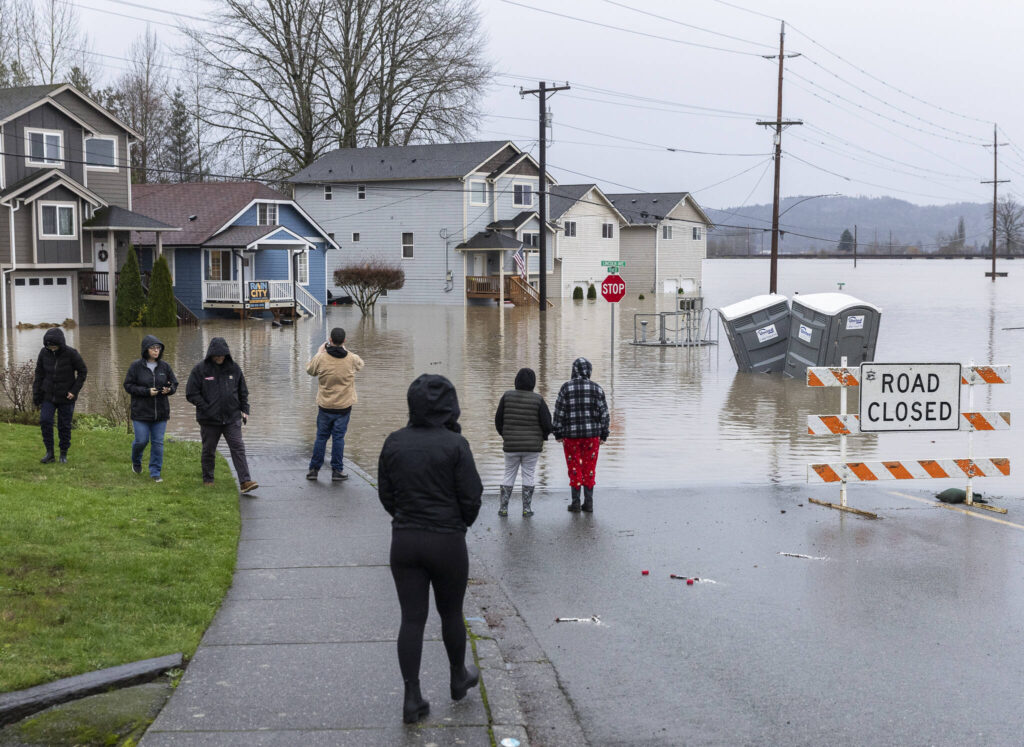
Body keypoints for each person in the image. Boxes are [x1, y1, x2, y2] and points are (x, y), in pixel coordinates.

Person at [378, 374, 483, 724]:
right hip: (447, 540)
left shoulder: (394, 442)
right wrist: (458, 524)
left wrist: (406, 518)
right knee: (451, 613)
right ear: (449, 405)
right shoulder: (456, 445)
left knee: (411, 619)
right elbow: (471, 496)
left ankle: (412, 696)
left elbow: (386, 495)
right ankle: (457, 677)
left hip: (405, 540)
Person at [185, 337, 258, 493]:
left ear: (227, 354)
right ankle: (208, 479)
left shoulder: (235, 369)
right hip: (209, 420)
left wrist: (245, 409)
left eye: (222, 355)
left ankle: (245, 481)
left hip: (232, 418)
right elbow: (191, 393)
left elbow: (243, 391)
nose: (219, 358)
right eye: (216, 355)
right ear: (211, 354)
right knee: (209, 450)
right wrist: (206, 407)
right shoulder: (200, 370)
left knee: (238, 447)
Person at [305, 327, 364, 482]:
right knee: (338, 438)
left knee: (321, 437)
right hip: (344, 407)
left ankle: (313, 470)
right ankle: (337, 470)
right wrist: (345, 349)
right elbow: (360, 364)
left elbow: (310, 371)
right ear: (344, 341)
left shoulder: (321, 358)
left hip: (325, 405)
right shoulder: (351, 358)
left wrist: (319, 352)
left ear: (330, 340)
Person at [552, 357, 610, 513]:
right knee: (589, 468)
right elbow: (604, 414)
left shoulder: (566, 388)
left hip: (571, 436)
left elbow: (559, 413)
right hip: (592, 436)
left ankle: (576, 503)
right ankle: (589, 503)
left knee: (574, 467)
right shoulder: (597, 389)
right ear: (589, 371)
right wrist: (604, 434)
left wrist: (557, 432)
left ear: (574, 370)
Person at [493, 367, 552, 517]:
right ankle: (526, 509)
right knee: (529, 475)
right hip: (532, 447)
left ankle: (503, 508)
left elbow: (498, 420)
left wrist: (505, 435)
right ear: (533, 382)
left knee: (508, 474)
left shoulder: (506, 396)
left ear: (516, 381)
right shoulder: (538, 399)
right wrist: (543, 437)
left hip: (511, 445)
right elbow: (547, 423)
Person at [123, 335, 178, 482]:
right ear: (146, 350)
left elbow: (174, 384)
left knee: (158, 443)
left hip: (160, 413)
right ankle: (136, 460)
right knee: (141, 441)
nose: (156, 351)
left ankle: (155, 472)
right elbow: (128, 386)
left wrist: (169, 390)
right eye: (153, 348)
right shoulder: (136, 366)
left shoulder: (165, 366)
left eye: (158, 348)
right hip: (140, 412)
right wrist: (146, 392)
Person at [32, 327, 87, 464]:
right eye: (50, 346)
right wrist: (36, 394)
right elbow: (39, 374)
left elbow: (82, 372)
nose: (52, 349)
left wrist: (74, 391)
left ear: (61, 344)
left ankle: (63, 454)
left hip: (66, 397)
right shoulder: (43, 353)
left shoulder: (71, 354)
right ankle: (49, 453)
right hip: (48, 395)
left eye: (55, 346)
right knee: (45, 421)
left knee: (64, 426)